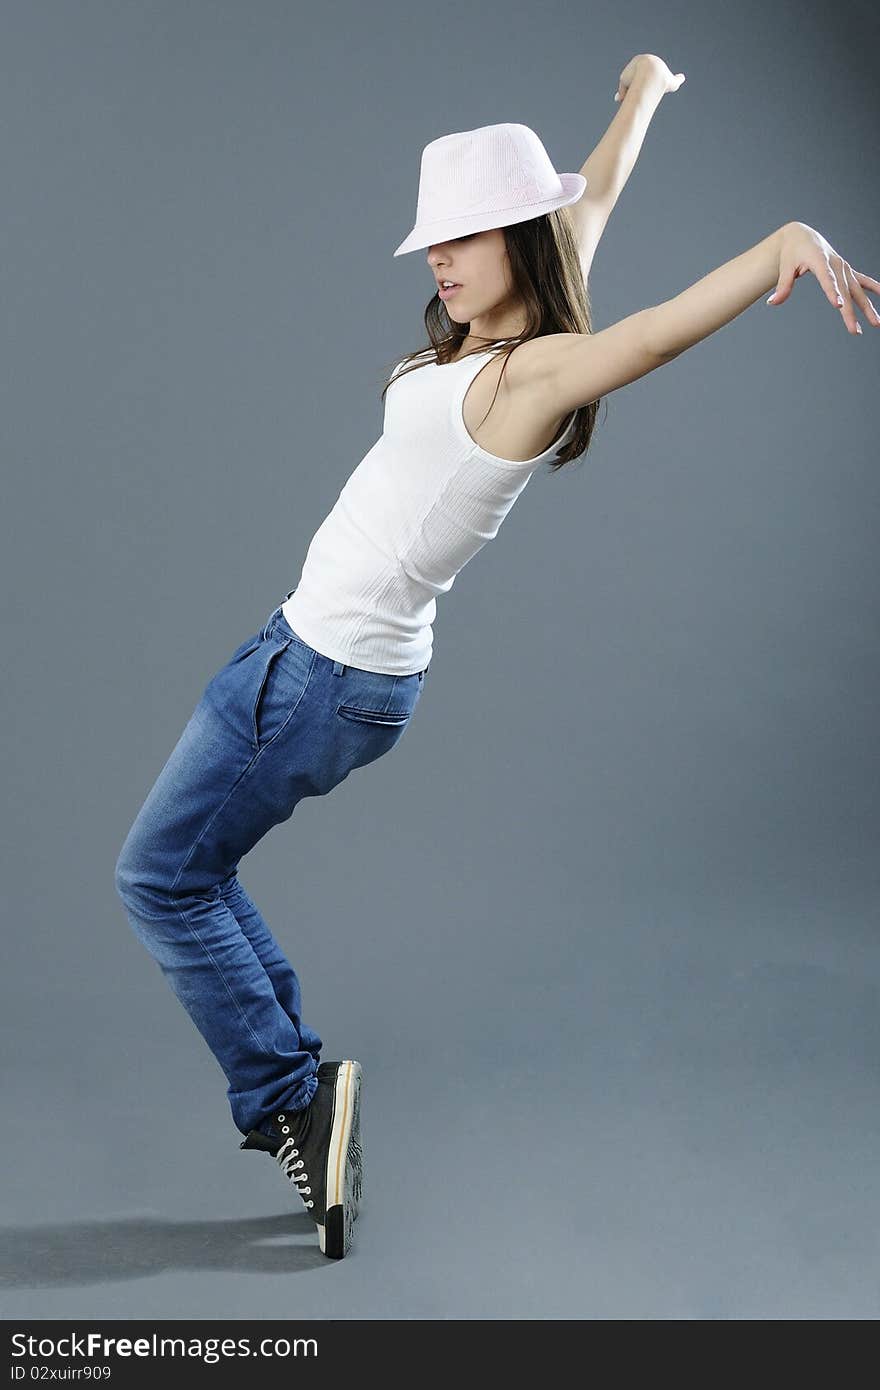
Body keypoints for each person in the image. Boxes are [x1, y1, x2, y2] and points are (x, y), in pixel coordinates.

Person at [114, 58, 878, 1262]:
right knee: (191, 872)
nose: (440, 259)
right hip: (314, 663)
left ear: (517, 240)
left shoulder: (531, 375)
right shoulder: (504, 328)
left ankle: (286, 1100)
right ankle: (298, 1084)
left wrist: (778, 238)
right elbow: (599, 193)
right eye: (434, 242)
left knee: (161, 880)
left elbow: (646, 340)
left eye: (465, 237)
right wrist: (644, 95)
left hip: (313, 678)